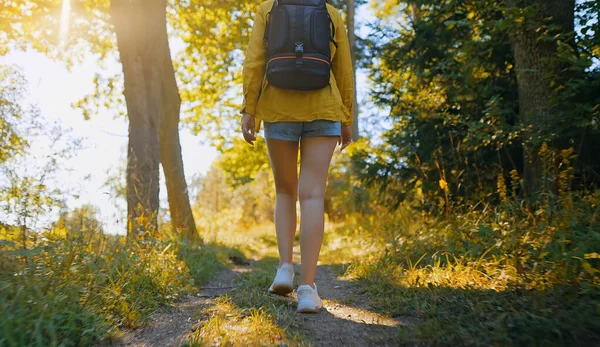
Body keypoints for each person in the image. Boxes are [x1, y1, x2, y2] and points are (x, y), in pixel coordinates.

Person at [240, 0, 354, 313]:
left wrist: (250, 109)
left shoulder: (268, 9)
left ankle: (285, 269)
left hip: (278, 106)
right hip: (323, 107)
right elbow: (343, 69)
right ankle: (307, 288)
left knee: (285, 191)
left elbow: (254, 61)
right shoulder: (331, 13)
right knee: (313, 195)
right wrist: (346, 118)